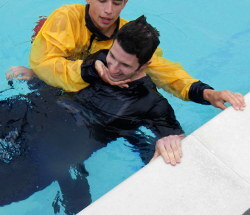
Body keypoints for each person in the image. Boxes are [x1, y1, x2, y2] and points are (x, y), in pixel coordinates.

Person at [1, 16, 185, 214]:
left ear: (144, 65)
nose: (112, 69)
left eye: (124, 65)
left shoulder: (150, 103)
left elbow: (176, 138)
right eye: (112, 56)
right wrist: (37, 76)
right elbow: (66, 83)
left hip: (52, 152)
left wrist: (171, 140)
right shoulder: (97, 59)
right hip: (30, 112)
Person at [5, 0, 246, 111]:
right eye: (101, 0)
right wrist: (89, 70)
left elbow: (166, 72)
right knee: (21, 77)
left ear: (125, 2)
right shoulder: (66, 18)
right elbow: (43, 62)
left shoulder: (129, 35)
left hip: (89, 88)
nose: (108, 11)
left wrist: (206, 93)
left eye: (116, 2)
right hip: (65, 74)